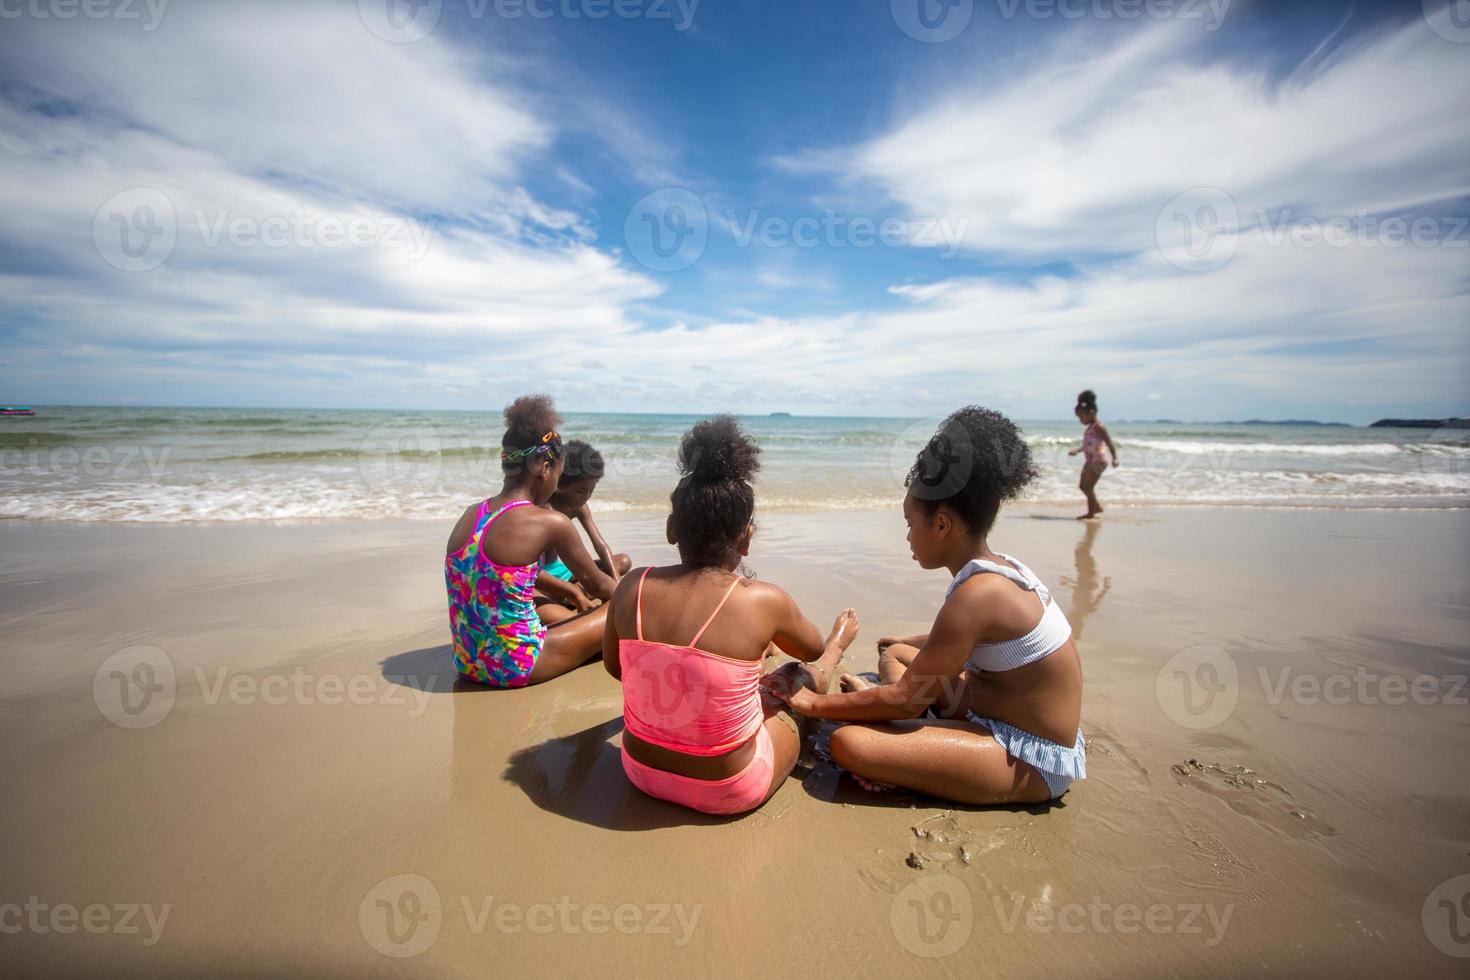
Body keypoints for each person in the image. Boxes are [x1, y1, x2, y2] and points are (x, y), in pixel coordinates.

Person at [771, 407, 1085, 805]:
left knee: (850, 744)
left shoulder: (977, 596)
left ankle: (909, 752)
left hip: (1031, 756)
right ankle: (910, 734)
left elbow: (908, 696)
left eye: (909, 523)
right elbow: (979, 642)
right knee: (897, 652)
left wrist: (815, 703)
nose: (906, 537)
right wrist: (909, 641)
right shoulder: (1002, 569)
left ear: (941, 525)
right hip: (993, 710)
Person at [603, 416, 859, 816]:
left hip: (639, 772)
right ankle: (840, 649)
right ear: (746, 538)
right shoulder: (762, 601)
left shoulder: (631, 587)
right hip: (730, 789)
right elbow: (808, 648)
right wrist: (830, 645)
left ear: (672, 530)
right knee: (795, 676)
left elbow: (618, 668)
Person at [445, 395, 617, 688]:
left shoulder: (470, 515)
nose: (556, 483)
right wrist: (632, 595)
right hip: (518, 666)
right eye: (558, 472)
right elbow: (602, 588)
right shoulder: (550, 522)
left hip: (467, 663)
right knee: (622, 607)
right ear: (542, 465)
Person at [535, 439, 632, 625]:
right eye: (580, 491)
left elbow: (599, 544)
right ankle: (571, 594)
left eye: (591, 491)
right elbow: (532, 572)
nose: (586, 496)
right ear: (561, 483)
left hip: (564, 572)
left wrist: (615, 580)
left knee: (623, 561)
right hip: (544, 576)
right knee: (539, 597)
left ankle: (577, 591)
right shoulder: (546, 508)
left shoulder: (579, 506)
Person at [1068, 389, 1118, 520]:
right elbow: (1088, 446)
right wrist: (1078, 451)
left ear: (1091, 412)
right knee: (1082, 486)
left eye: (1081, 416)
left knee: (1089, 487)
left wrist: (1115, 458)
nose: (1080, 420)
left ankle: (1091, 513)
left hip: (1099, 460)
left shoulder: (1099, 427)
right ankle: (1096, 506)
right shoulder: (1089, 428)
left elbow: (1109, 442)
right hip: (1089, 461)